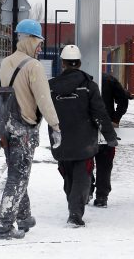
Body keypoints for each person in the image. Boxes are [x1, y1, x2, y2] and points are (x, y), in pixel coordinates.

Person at [0, 19, 61, 239]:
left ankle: (24, 216)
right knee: (18, 177)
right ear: (29, 40)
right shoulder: (33, 66)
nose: (40, 47)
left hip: (5, 131)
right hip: (23, 132)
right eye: (38, 42)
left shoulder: (1, 65)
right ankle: (3, 226)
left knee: (17, 173)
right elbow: (44, 99)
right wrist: (55, 126)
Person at [48, 45, 118, 226]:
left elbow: (41, 111)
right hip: (84, 142)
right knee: (82, 176)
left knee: (68, 175)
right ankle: (75, 213)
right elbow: (99, 113)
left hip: (61, 141)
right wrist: (110, 137)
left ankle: (73, 205)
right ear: (79, 63)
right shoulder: (89, 86)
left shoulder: (51, 87)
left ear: (62, 63)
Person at [90, 72, 129, 208]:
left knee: (84, 162)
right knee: (105, 164)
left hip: (87, 129)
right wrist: (115, 118)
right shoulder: (109, 79)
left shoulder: (83, 78)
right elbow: (123, 99)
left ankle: (87, 190)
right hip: (107, 127)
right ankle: (101, 197)